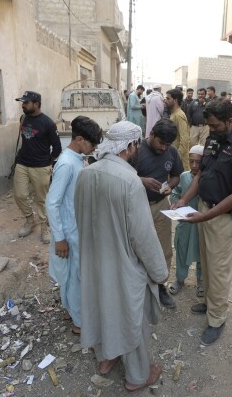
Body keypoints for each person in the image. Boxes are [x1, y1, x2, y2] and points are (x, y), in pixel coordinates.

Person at [75, 121, 167, 392]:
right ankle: (138, 376)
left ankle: (106, 358)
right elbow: (142, 236)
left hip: (93, 259)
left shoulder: (86, 173)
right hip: (122, 263)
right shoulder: (129, 181)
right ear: (130, 146)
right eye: (136, 144)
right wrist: (159, 272)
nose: (138, 149)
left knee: (101, 307)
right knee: (130, 316)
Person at [171, 99, 232, 346]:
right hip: (204, 209)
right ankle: (210, 304)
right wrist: (185, 201)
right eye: (208, 125)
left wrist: (204, 216)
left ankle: (217, 319)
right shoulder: (212, 139)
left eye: (215, 125)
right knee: (207, 262)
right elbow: (201, 175)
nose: (211, 129)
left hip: (221, 217)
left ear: (230, 121)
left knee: (219, 270)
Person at [47, 116, 102, 335]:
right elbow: (52, 203)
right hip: (69, 230)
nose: (94, 148)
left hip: (75, 226)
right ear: (80, 139)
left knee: (72, 273)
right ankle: (79, 322)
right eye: (92, 144)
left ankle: (70, 310)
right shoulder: (66, 164)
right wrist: (59, 238)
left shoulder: (77, 158)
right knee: (76, 276)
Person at [136, 118, 184, 309]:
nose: (164, 148)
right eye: (161, 143)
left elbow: (176, 176)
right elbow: (121, 177)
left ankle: (160, 287)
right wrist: (141, 181)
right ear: (152, 135)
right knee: (137, 248)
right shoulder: (136, 151)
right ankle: (139, 288)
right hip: (138, 206)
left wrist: (169, 187)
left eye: (168, 144)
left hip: (161, 205)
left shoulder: (171, 152)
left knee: (164, 248)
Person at [13, 91, 62, 244]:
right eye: (22, 102)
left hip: (41, 166)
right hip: (22, 163)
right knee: (20, 195)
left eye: (25, 103)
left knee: (42, 199)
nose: (23, 105)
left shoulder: (48, 123)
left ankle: (44, 226)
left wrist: (48, 161)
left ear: (36, 104)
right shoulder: (24, 118)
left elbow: (57, 147)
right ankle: (29, 220)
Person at [169, 144, 204, 297]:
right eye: (191, 161)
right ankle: (180, 279)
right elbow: (176, 192)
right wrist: (175, 202)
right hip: (185, 222)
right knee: (182, 249)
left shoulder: (207, 178)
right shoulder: (184, 177)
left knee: (202, 252)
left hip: (201, 223)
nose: (194, 165)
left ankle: (201, 281)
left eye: (198, 162)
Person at [165, 89, 190, 170]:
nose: (166, 101)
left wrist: (177, 156)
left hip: (179, 160)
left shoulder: (179, 115)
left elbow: (185, 138)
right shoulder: (174, 113)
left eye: (168, 98)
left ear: (175, 100)